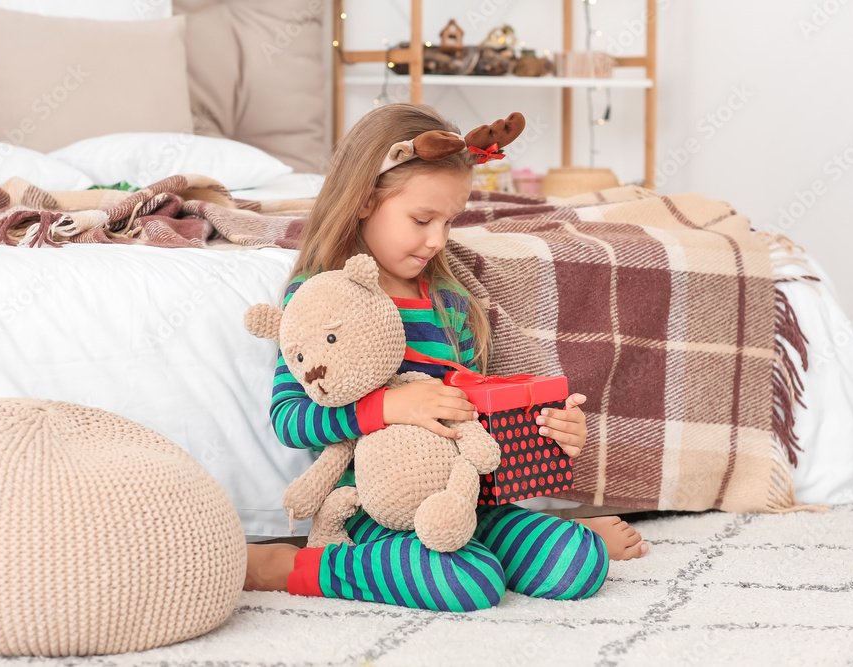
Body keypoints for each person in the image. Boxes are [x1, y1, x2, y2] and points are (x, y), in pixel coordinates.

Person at [243, 103, 647, 612]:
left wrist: (550, 430)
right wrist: (390, 408)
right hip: (376, 508)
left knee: (580, 563)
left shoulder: (449, 302)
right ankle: (289, 566)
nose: (437, 240)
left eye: (449, 222)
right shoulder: (320, 296)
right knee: (467, 584)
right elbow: (290, 420)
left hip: (467, 497)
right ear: (365, 200)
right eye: (421, 219)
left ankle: (507, 542)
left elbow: (473, 411)